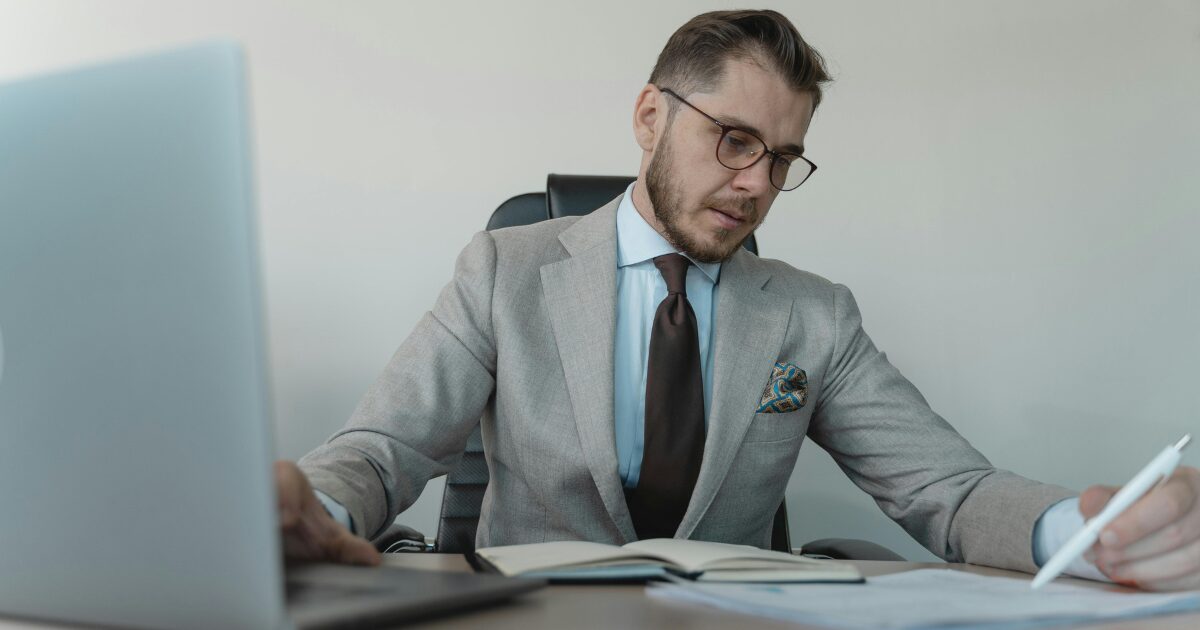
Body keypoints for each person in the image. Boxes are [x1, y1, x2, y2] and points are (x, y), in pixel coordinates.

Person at [275, 10, 1200, 591]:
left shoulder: (815, 316)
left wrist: (1094, 531)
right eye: (733, 140)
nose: (757, 182)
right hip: (536, 617)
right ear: (651, 118)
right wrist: (311, 510)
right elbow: (383, 450)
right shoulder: (502, 272)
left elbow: (946, 492)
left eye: (783, 158)